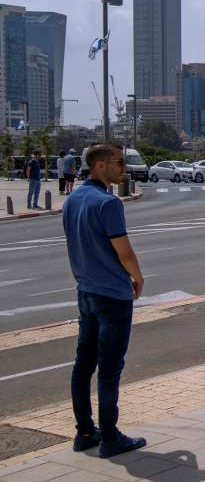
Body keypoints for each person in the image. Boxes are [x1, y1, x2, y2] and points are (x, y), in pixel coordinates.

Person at [64, 143, 146, 458]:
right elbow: (123, 251)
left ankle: (85, 432)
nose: (123, 168)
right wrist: (138, 278)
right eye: (119, 162)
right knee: (110, 368)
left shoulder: (73, 199)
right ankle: (110, 436)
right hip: (112, 295)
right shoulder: (108, 203)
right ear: (99, 166)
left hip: (85, 292)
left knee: (83, 364)